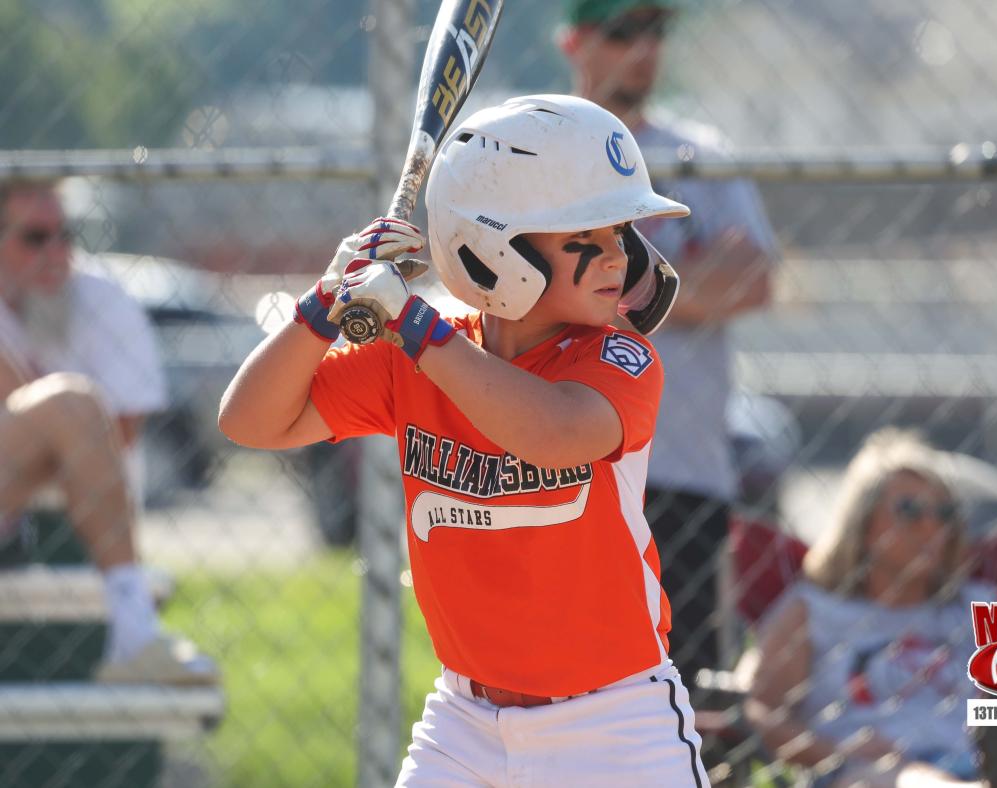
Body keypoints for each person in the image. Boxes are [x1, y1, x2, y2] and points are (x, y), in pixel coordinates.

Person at [220, 94, 709, 786]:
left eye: (621, 233)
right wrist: (324, 302)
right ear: (491, 246)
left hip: (614, 724)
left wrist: (413, 324)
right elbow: (250, 420)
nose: (617, 259)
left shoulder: (615, 359)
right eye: (585, 238)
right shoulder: (414, 359)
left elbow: (551, 432)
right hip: (465, 725)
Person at [561, 0, 780, 691]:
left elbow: (751, 279)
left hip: (683, 472)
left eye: (654, 31)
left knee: (681, 689)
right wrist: (682, 279)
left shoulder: (698, 155)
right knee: (562, 685)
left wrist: (589, 294)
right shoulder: (540, 149)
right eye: (622, 31)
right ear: (575, 42)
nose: (643, 49)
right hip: (559, 464)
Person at [745, 429, 997, 788]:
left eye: (944, 513)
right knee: (908, 781)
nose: (931, 526)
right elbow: (759, 709)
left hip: (974, 762)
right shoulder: (814, 610)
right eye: (909, 511)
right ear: (863, 525)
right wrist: (834, 752)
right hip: (873, 770)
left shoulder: (977, 605)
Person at [0, 179, 217, 685]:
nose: (56, 253)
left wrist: (53, 438)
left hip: (54, 528)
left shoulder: (105, 300)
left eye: (66, 234)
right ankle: (134, 634)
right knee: (71, 404)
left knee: (72, 405)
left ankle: (134, 636)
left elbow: (117, 440)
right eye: (35, 237)